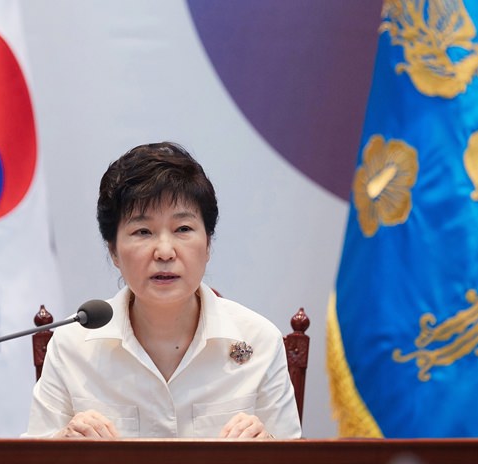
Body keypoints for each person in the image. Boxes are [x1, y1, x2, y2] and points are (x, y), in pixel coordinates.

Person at [24, 142, 301, 439]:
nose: (165, 252)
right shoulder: (72, 346)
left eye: (183, 229)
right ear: (114, 252)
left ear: (208, 244)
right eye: (143, 232)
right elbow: (32, 456)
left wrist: (271, 451)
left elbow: (295, 456)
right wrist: (60, 449)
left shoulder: (257, 340)